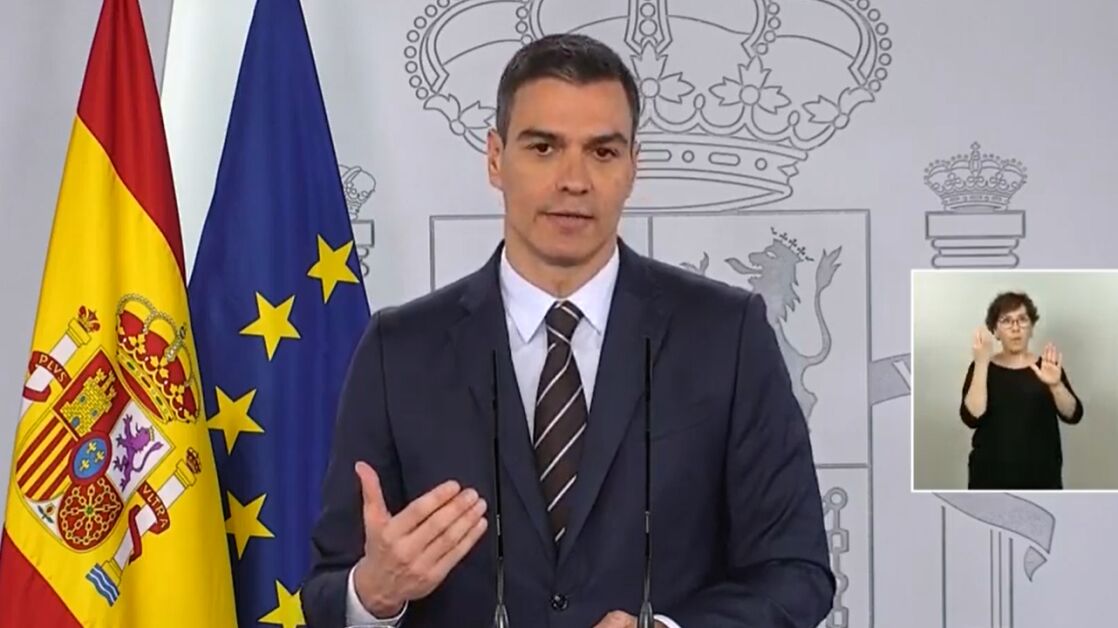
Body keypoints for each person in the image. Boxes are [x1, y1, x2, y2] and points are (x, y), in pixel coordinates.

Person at [302, 33, 834, 627]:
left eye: (602, 152)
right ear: (496, 159)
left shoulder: (726, 338)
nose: (573, 180)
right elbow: (328, 588)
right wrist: (374, 594)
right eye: (544, 148)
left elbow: (795, 573)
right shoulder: (398, 351)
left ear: (633, 166)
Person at [960, 291, 1083, 490]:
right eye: (1006, 321)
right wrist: (981, 363)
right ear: (995, 330)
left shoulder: (1047, 367)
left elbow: (1073, 415)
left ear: (1031, 328)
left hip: (1042, 478)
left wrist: (1055, 385)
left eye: (1022, 320)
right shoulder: (981, 367)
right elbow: (971, 418)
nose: (1015, 327)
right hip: (988, 478)